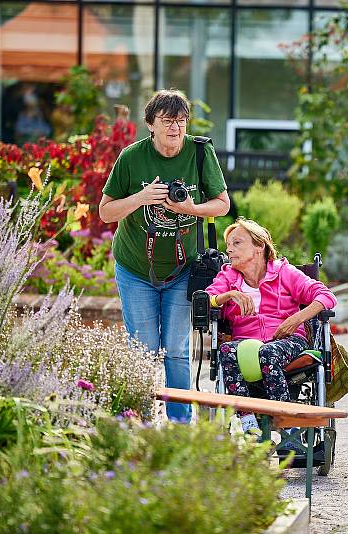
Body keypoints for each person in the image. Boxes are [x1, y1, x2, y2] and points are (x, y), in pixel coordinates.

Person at [99, 89, 230, 422]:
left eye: (181, 120)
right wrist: (142, 197)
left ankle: (180, 424)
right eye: (167, 120)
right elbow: (106, 212)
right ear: (150, 125)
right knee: (142, 350)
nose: (176, 127)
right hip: (135, 269)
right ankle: (139, 420)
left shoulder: (200, 153)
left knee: (176, 349)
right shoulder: (131, 157)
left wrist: (191, 208)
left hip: (182, 269)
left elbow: (223, 203)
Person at [205, 218, 337, 435]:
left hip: (289, 341)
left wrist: (296, 319)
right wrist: (228, 295)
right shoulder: (228, 276)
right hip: (245, 344)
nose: (229, 250)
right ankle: (250, 425)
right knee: (226, 351)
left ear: (259, 246)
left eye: (237, 243)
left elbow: (326, 296)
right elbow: (204, 299)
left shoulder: (284, 272)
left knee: (267, 352)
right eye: (228, 245)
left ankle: (285, 423)